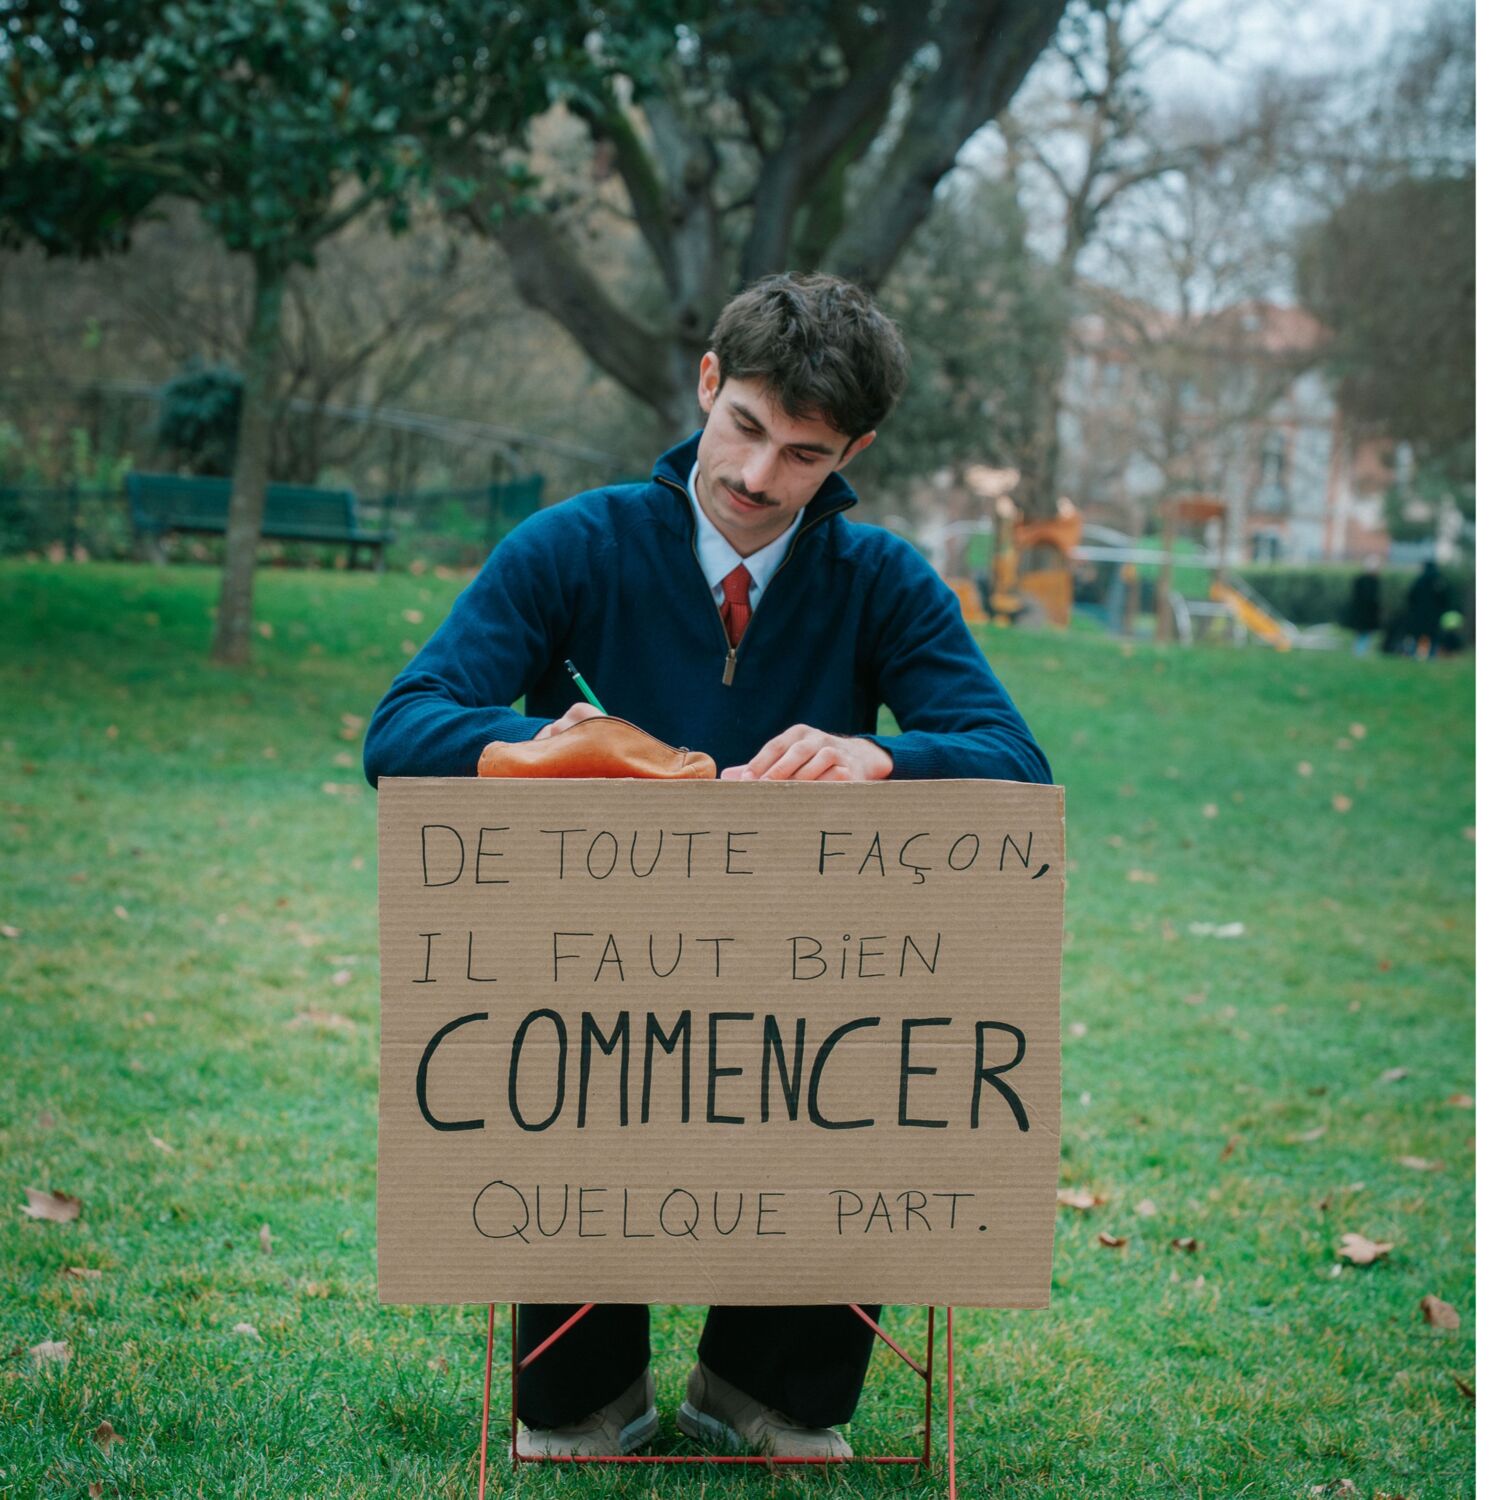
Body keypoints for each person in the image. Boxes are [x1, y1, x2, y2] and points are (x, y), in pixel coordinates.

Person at [363, 272, 1052, 1459]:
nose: (756, 476)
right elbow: (402, 729)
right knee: (571, 1398)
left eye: (805, 454)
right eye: (745, 427)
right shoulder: (572, 545)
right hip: (589, 972)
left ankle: (759, 1386)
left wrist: (877, 758)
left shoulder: (881, 578)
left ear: (852, 451)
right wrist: (578, 750)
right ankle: (589, 1390)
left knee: (870, 1066)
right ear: (707, 386)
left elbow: (1017, 768)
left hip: (811, 976)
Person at [1404, 559, 1452, 660]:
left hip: (1419, 613)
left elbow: (1411, 597)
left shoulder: (1420, 580)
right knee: (1433, 636)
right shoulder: (1439, 581)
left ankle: (1415, 655)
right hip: (1435, 614)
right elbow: (1445, 599)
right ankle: (1432, 656)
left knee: (1417, 635)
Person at [1348, 556, 1382, 656]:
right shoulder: (1373, 582)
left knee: (1361, 633)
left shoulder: (1360, 580)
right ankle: (1360, 652)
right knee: (1365, 633)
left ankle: (1359, 651)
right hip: (1367, 613)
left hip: (1362, 613)